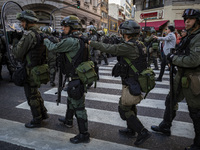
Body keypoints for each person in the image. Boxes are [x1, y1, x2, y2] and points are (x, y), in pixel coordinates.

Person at [88, 20, 151, 146]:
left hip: (132, 81)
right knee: (131, 106)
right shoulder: (139, 44)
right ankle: (131, 129)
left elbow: (110, 48)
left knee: (124, 108)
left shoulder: (129, 46)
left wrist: (92, 42)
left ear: (126, 32)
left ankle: (142, 131)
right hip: (135, 80)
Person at [151, 8, 200, 150]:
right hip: (181, 76)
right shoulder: (190, 36)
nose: (187, 21)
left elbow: (194, 60)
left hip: (193, 78)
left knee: (195, 112)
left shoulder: (197, 37)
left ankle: (198, 143)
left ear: (198, 21)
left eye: (190, 19)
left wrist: (174, 58)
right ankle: (165, 126)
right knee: (170, 101)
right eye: (185, 19)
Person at [43, 15, 90, 144]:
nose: (63, 28)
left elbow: (53, 48)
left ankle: (84, 134)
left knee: (79, 106)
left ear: (72, 27)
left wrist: (46, 39)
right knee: (71, 100)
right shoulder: (82, 39)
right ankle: (68, 120)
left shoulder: (71, 41)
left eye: (65, 26)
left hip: (76, 78)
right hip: (79, 75)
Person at [12, 10, 49, 128]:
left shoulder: (29, 35)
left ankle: (37, 119)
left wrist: (15, 42)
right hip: (39, 69)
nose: (22, 24)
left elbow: (18, 53)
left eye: (23, 21)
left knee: (31, 95)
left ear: (28, 21)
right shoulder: (41, 33)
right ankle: (43, 113)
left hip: (30, 70)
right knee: (36, 93)